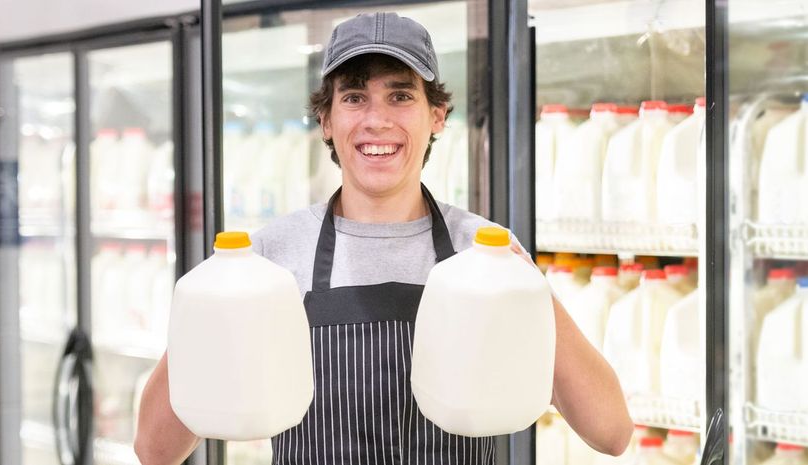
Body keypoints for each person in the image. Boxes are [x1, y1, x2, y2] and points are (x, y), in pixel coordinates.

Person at [135, 12, 633, 465]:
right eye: (354, 98)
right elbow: (156, 449)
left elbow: (610, 431)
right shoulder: (270, 257)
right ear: (326, 121)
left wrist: (529, 288)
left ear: (436, 115)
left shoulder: (482, 253)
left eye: (401, 95)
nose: (377, 119)